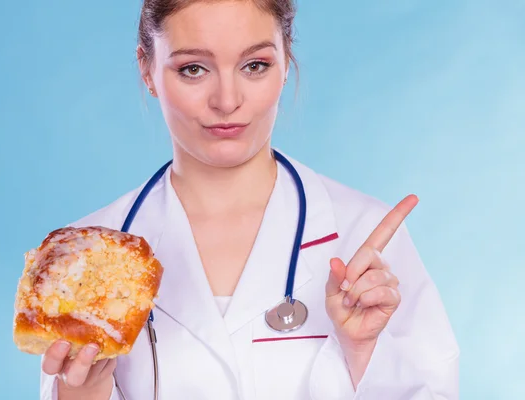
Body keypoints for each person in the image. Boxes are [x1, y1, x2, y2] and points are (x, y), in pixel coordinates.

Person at [39, 0, 460, 399]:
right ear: (147, 70)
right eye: (193, 69)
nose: (227, 100)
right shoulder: (84, 257)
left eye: (254, 65)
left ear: (285, 64)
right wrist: (82, 393)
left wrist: (363, 353)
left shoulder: (362, 236)